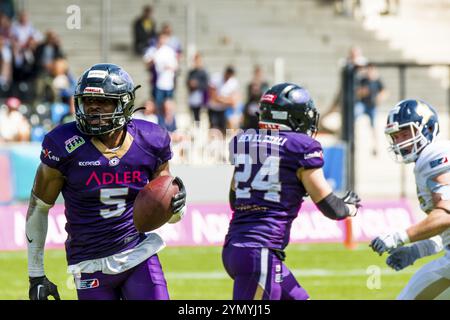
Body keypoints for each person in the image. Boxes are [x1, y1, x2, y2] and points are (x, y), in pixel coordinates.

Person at [25, 63, 187, 300]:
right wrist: (36, 275)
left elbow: (169, 211)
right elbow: (39, 207)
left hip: (138, 253)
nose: (93, 108)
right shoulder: (63, 144)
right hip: (89, 262)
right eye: (88, 101)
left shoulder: (151, 140)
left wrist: (177, 208)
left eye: (103, 102)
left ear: (124, 103)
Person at [223, 82, 361, 300]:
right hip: (261, 251)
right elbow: (330, 207)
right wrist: (351, 208)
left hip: (235, 249)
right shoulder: (301, 147)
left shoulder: (244, 140)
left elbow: (234, 200)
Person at [370, 99, 450, 300]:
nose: (400, 142)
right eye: (395, 137)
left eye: (405, 134)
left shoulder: (434, 155)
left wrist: (399, 237)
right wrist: (416, 251)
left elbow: (446, 216)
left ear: (428, 128)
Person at [355, 63, 385, 156]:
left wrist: (380, 97)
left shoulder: (377, 80)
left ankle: (375, 146)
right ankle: (353, 142)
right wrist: (363, 92)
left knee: (373, 126)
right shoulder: (363, 80)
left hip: (372, 106)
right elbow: (357, 92)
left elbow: (384, 91)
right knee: (354, 116)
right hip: (363, 104)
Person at [242, 65, 269, 129]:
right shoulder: (250, 84)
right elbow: (249, 96)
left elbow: (265, 95)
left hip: (261, 104)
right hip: (253, 104)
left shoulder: (265, 84)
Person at [186, 53, 208, 125]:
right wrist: (190, 84)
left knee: (200, 115)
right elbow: (187, 82)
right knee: (192, 113)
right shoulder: (191, 72)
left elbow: (205, 85)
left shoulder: (203, 72)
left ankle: (198, 127)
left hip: (200, 97)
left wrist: (197, 84)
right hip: (192, 96)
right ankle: (194, 127)